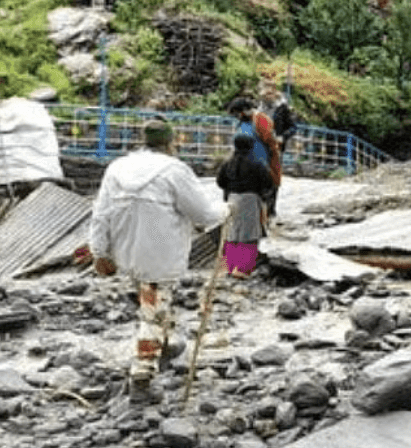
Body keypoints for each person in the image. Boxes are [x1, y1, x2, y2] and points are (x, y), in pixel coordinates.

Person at [89, 119, 229, 389]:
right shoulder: (174, 170)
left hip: (126, 249)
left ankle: (163, 345)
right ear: (170, 142)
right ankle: (142, 374)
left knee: (150, 304)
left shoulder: (117, 167)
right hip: (160, 253)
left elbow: (100, 213)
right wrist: (226, 210)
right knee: (152, 310)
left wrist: (99, 251)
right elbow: (202, 214)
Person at [215, 133, 274, 277]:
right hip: (251, 200)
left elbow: (220, 182)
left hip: (232, 199)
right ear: (251, 146)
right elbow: (268, 182)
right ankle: (243, 268)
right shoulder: (257, 164)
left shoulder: (227, 164)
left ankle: (231, 266)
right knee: (248, 234)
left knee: (232, 233)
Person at [228, 97, 283, 215]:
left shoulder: (261, 119)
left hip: (262, 163)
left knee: (264, 195)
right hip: (246, 164)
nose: (236, 117)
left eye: (237, 113)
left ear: (243, 111)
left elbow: (270, 141)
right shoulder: (242, 123)